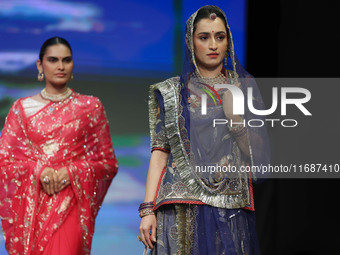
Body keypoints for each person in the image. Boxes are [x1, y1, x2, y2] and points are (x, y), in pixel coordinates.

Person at [139, 5, 269, 254]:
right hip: (177, 207)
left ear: (228, 41)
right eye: (204, 37)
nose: (213, 45)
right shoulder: (172, 92)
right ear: (190, 41)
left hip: (228, 207)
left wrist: (236, 121)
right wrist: (147, 211)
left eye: (220, 37)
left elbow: (259, 156)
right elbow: (160, 153)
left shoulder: (245, 87)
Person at [0, 37, 118, 255]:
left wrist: (71, 172)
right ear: (40, 65)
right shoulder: (22, 108)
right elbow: (4, 161)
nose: (60, 66)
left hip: (71, 201)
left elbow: (108, 163)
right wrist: (38, 171)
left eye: (66, 60)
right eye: (53, 60)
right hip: (33, 205)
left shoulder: (90, 107)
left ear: (73, 64)